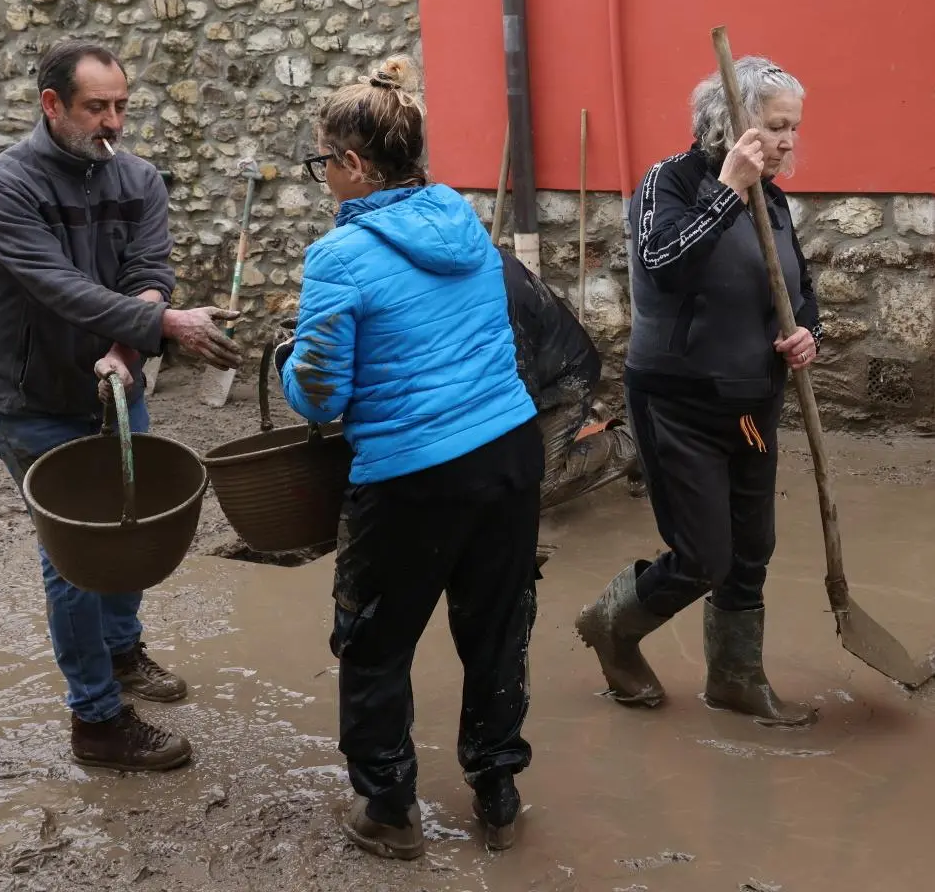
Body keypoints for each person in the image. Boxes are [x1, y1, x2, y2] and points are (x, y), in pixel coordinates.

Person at [276, 57, 543, 858]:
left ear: (354, 165)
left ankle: (389, 812)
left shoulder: (340, 257)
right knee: (497, 629)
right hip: (509, 454)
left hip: (412, 477)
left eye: (324, 162)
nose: (324, 177)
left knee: (374, 642)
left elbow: (320, 397)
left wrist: (294, 359)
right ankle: (497, 795)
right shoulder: (461, 222)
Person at [0, 39, 242, 771]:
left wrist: (129, 348)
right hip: (30, 402)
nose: (113, 122)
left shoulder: (139, 177)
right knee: (77, 554)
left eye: (121, 105)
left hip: (115, 387)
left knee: (131, 525)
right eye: (97, 107)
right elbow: (55, 284)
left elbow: (147, 272)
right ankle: (96, 721)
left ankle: (121, 654)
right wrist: (161, 327)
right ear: (52, 105)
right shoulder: (0, 187)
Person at [575, 56, 822, 726]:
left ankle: (735, 679)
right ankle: (613, 626)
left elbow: (796, 290)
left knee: (751, 551)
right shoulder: (670, 182)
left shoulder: (772, 200)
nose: (787, 143)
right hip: (677, 405)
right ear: (732, 122)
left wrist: (805, 335)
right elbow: (660, 267)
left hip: (751, 409)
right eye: (775, 127)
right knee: (702, 558)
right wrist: (725, 189)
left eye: (792, 129)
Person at [500, 250, 640, 510]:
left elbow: (520, 391)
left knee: (534, 487)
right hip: (537, 377)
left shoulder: (501, 294)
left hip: (566, 378)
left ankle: (635, 445)